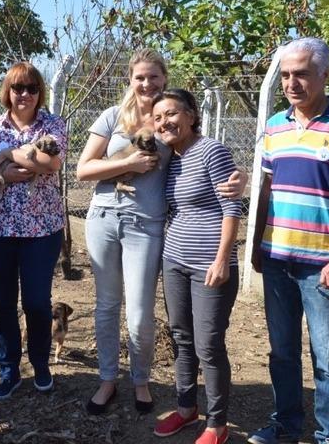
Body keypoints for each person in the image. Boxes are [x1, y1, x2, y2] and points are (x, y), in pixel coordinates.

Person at [76, 49, 246, 415]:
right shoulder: (111, 117)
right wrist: (127, 163)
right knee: (106, 306)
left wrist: (241, 176)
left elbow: (201, 157)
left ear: (164, 79)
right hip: (103, 217)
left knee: (139, 313)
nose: (146, 83)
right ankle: (107, 380)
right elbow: (83, 170)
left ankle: (141, 380)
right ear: (130, 79)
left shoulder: (168, 122)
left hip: (147, 225)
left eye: (153, 77)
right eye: (140, 77)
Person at [249, 37, 329, 444]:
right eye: (285, 75)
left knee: (328, 357)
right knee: (281, 352)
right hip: (277, 260)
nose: (291, 82)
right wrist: (256, 245)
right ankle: (285, 424)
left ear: (325, 75)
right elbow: (266, 190)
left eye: (301, 74)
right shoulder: (274, 126)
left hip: (323, 267)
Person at [150, 89, 241, 444]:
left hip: (208, 265)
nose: (164, 123)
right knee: (182, 338)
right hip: (174, 260)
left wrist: (222, 259)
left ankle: (217, 424)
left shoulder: (211, 150)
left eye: (171, 114)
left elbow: (232, 208)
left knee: (208, 345)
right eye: (157, 118)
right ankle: (186, 408)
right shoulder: (172, 157)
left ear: (190, 115)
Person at [0, 61, 66, 400]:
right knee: (2, 302)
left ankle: (40, 363)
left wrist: (10, 153)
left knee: (37, 302)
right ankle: (8, 369)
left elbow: (51, 164)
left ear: (40, 92)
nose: (24, 94)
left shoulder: (53, 124)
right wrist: (1, 175)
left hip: (42, 230)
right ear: (7, 92)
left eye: (31, 88)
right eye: (17, 88)